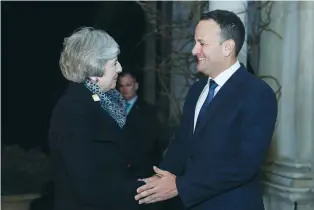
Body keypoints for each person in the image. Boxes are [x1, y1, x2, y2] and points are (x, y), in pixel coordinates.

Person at [134, 10, 278, 210]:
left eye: (202, 43)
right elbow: (183, 143)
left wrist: (180, 186)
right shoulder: (197, 90)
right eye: (195, 42)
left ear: (227, 47)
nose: (194, 51)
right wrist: (159, 180)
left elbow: (243, 165)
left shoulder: (257, 93)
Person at [48, 27, 143, 210]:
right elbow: (89, 185)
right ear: (94, 69)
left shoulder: (100, 103)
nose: (120, 68)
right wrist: (146, 189)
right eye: (114, 63)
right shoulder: (74, 109)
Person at [119, 71, 166, 179]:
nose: (125, 89)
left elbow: (149, 141)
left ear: (136, 86)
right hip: (118, 168)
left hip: (141, 169)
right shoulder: (114, 108)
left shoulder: (148, 111)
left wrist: (131, 160)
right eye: (121, 85)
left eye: (128, 85)